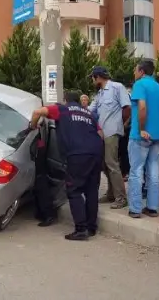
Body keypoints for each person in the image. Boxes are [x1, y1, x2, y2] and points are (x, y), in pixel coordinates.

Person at [29, 90, 104, 241]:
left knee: (74, 190)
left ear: (65, 100)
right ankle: (91, 228)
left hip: (77, 154)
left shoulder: (62, 109)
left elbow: (37, 112)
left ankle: (81, 229)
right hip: (96, 153)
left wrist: (32, 126)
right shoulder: (88, 113)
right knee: (91, 191)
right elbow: (101, 133)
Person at [127, 60, 159, 218]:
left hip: (141, 135)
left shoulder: (140, 85)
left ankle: (135, 208)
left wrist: (142, 129)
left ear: (142, 71)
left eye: (135, 70)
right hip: (158, 135)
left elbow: (142, 106)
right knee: (154, 171)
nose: (134, 73)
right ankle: (152, 207)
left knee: (136, 171)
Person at [88, 66, 131, 209]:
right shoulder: (99, 94)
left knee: (112, 164)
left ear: (98, 77)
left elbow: (127, 108)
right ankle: (111, 193)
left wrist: (121, 124)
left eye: (93, 78)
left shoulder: (117, 87)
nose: (92, 81)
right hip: (102, 134)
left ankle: (121, 197)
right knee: (104, 165)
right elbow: (89, 110)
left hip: (112, 132)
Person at [32, 128, 56, 227]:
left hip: (41, 155)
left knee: (41, 186)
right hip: (41, 154)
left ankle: (48, 215)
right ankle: (43, 213)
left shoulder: (40, 132)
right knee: (39, 187)